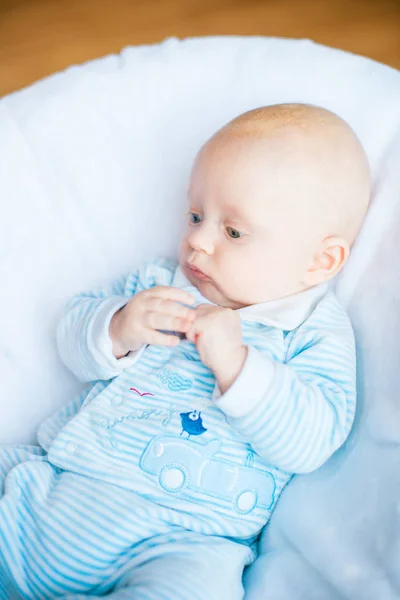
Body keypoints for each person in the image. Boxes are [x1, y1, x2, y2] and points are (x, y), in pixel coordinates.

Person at [0, 103, 371, 600]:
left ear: (320, 261)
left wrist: (239, 368)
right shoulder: (157, 286)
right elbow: (71, 334)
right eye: (195, 215)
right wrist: (120, 325)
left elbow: (312, 440)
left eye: (232, 231)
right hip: (51, 489)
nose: (197, 240)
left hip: (182, 542)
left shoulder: (310, 331)